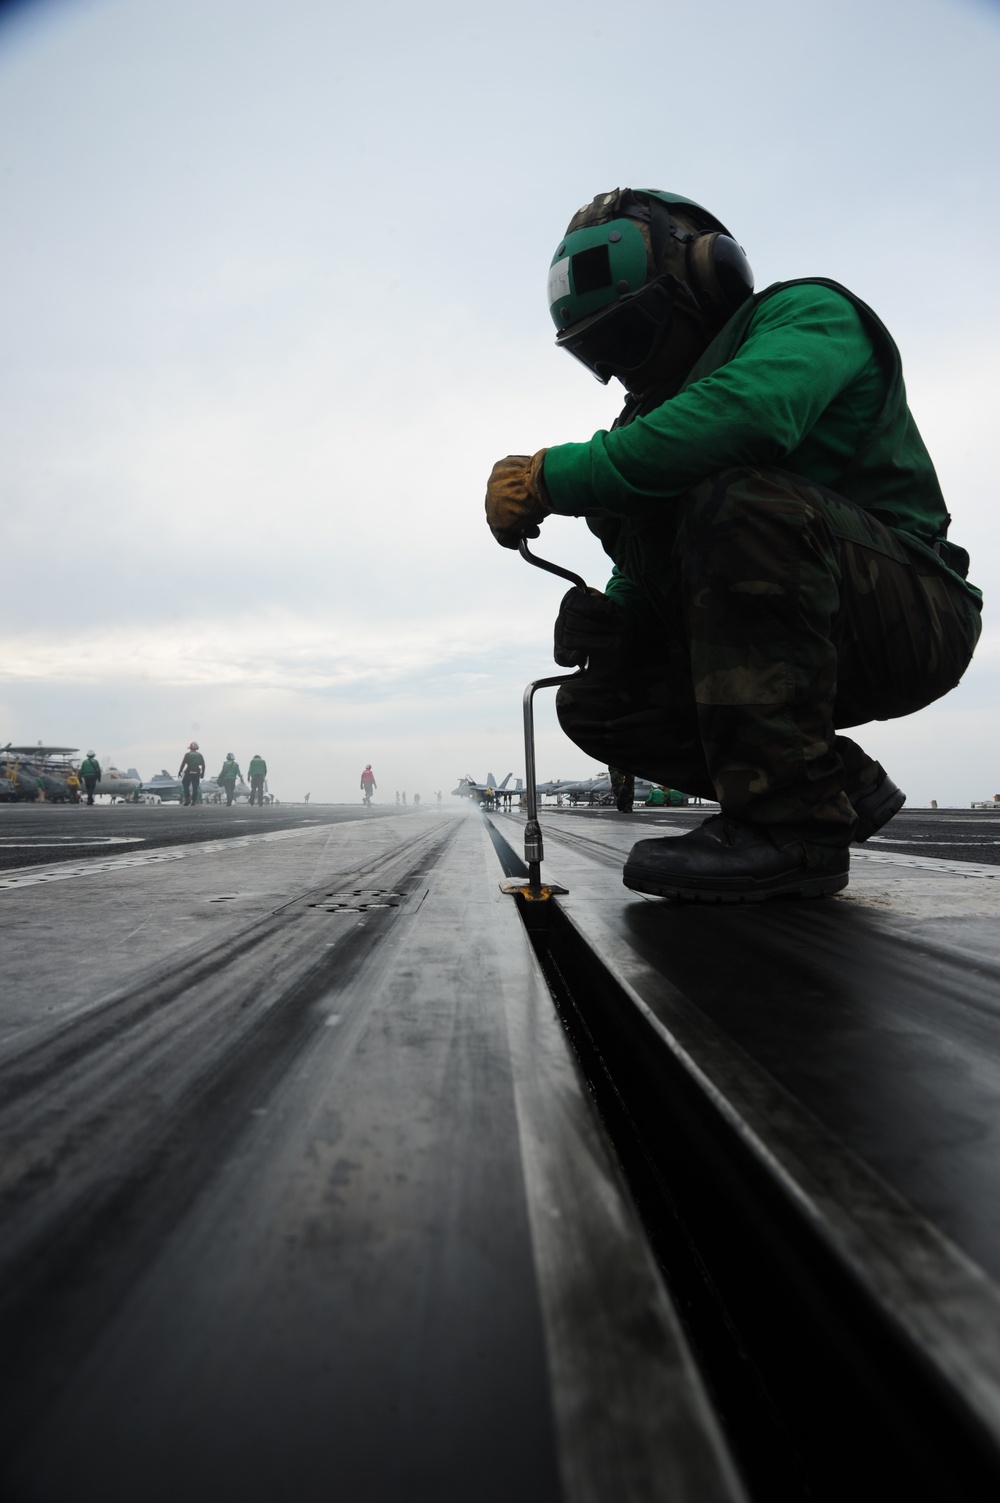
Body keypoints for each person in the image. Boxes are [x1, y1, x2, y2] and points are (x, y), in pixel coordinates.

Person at [485, 187, 981, 903]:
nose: (622, 370)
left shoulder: (804, 316)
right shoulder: (651, 423)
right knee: (596, 700)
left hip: (911, 613)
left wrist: (554, 476)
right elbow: (654, 574)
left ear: (707, 279)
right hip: (786, 639)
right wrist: (615, 619)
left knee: (744, 500)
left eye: (632, 337)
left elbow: (748, 421)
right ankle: (834, 781)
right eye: (600, 354)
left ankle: (794, 832)